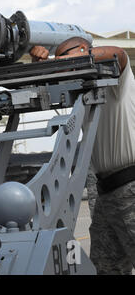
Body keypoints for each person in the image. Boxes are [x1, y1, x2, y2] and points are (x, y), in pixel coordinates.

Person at [31, 37, 135, 275]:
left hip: (131, 186)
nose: (67, 72)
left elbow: (118, 53)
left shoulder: (117, 81)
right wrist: (40, 64)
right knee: (107, 268)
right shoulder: (84, 96)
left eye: (68, 62)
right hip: (107, 194)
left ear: (85, 52)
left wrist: (66, 60)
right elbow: (43, 92)